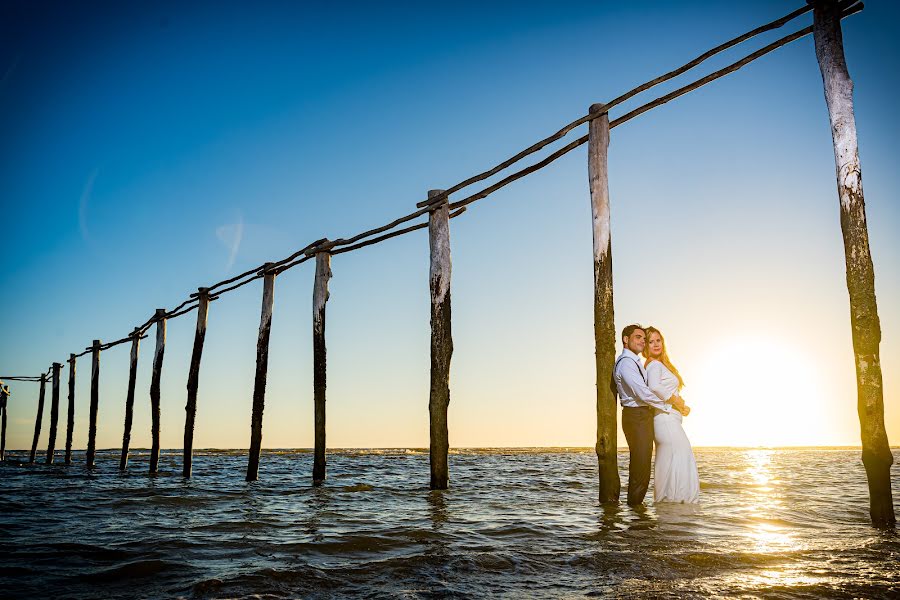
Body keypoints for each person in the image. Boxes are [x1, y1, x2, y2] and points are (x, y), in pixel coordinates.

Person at [613, 324, 687, 506]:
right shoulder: (626, 364)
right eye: (638, 337)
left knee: (643, 467)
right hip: (636, 416)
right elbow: (643, 393)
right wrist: (671, 405)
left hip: (641, 416)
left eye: (643, 339)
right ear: (626, 339)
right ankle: (636, 517)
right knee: (640, 468)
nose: (642, 341)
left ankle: (637, 514)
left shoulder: (635, 362)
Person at [643, 326, 699, 503]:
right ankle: (680, 506)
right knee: (682, 459)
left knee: (672, 462)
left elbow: (665, 391)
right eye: (651, 342)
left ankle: (669, 510)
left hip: (669, 419)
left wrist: (681, 406)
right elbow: (654, 387)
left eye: (658, 340)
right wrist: (675, 401)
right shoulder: (653, 365)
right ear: (646, 347)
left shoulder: (661, 365)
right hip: (665, 421)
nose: (655, 344)